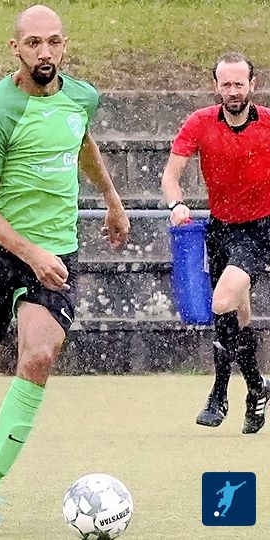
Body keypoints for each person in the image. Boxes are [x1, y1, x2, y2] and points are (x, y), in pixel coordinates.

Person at [0, 5, 130, 529]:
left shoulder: (82, 97)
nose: (45, 52)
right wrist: (30, 254)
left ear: (64, 45)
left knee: (38, 357)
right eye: (34, 43)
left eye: (53, 42)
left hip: (57, 252)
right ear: (16, 48)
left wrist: (111, 197)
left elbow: (81, 140)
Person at [161, 51, 270, 434]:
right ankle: (256, 387)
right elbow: (170, 176)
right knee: (237, 316)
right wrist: (176, 204)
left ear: (252, 84)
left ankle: (219, 392)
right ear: (216, 86)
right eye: (226, 84)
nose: (233, 91)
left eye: (239, 84)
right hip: (221, 229)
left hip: (261, 229)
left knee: (221, 301)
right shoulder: (200, 122)